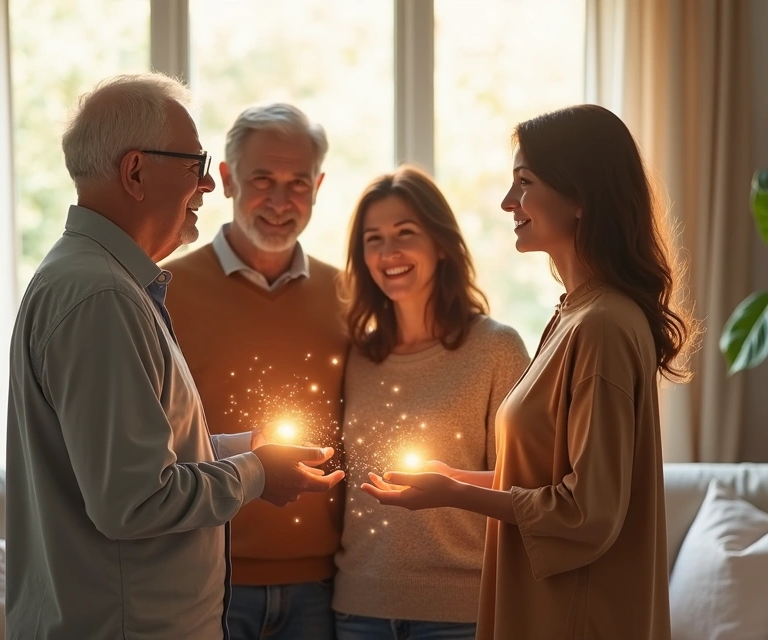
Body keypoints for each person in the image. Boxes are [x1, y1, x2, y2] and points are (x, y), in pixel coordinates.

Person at [5, 74, 344, 640]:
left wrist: (246, 448)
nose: (208, 184)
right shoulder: (102, 298)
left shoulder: (103, 282)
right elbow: (135, 501)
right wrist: (259, 472)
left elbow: (134, 459)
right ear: (136, 172)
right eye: (194, 163)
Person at [361, 104, 700, 640]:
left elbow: (586, 511)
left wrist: (452, 495)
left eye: (525, 182)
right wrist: (451, 477)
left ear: (581, 198)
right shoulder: (575, 313)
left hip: (576, 617)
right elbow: (542, 481)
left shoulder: (604, 326)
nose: (507, 202)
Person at [163, 102, 346, 640]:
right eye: (262, 179)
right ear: (225, 178)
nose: (280, 201)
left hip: (323, 582)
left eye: (298, 183)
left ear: (318, 185)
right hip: (201, 573)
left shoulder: (349, 295)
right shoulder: (161, 291)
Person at [333, 165, 530, 640]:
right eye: (373, 239)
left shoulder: (496, 349)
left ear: (441, 244)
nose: (389, 252)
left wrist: (450, 484)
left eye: (405, 233)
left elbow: (525, 486)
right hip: (360, 608)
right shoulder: (358, 356)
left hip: (462, 611)